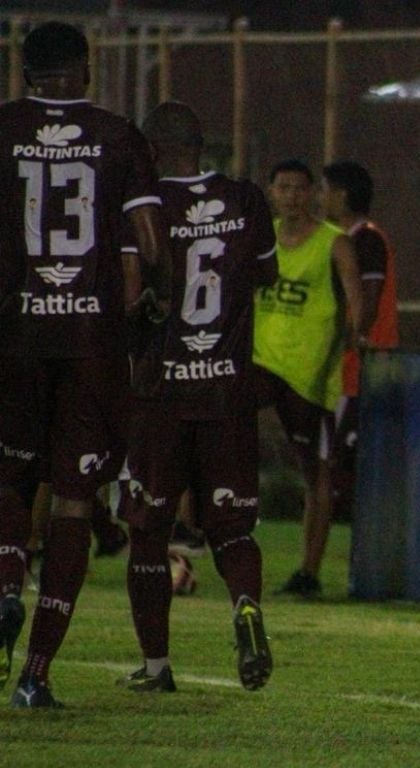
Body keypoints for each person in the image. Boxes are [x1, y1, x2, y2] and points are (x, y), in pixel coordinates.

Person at [0, 21, 170, 708]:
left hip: (13, 335)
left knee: (8, 478)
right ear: (87, 70)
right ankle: (35, 674)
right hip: (92, 343)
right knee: (75, 499)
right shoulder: (119, 135)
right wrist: (150, 319)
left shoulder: (3, 127)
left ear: (24, 70)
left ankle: (7, 584)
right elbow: (151, 244)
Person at [116, 101, 278, 693]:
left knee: (149, 530)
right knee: (233, 527)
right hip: (228, 390)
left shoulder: (144, 207)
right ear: (202, 144)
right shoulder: (246, 200)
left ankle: (157, 666)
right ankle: (245, 607)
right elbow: (264, 276)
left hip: (161, 391)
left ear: (153, 150)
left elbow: (132, 290)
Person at [254, 159, 362, 599]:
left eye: (300, 188)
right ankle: (198, 533)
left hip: (308, 371)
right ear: (272, 192)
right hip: (260, 360)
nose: (292, 196)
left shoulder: (333, 243)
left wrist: (351, 341)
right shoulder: (261, 240)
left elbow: (355, 297)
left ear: (312, 193)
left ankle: (309, 571)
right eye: (284, 188)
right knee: (213, 431)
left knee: (313, 469)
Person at [319, 161, 399, 546]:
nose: (322, 197)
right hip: (348, 368)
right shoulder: (346, 238)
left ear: (344, 195)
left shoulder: (365, 239)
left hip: (362, 368)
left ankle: (365, 545)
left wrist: (352, 337)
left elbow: (367, 299)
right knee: (337, 459)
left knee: (343, 460)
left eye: (327, 189)